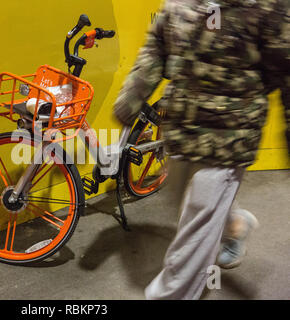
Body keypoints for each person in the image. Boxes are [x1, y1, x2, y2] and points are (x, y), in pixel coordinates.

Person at [113, 0, 289, 299]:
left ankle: (172, 294)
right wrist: (132, 97)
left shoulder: (268, 6)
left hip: (228, 138)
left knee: (194, 230)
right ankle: (234, 225)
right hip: (181, 128)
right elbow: (158, 45)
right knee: (185, 205)